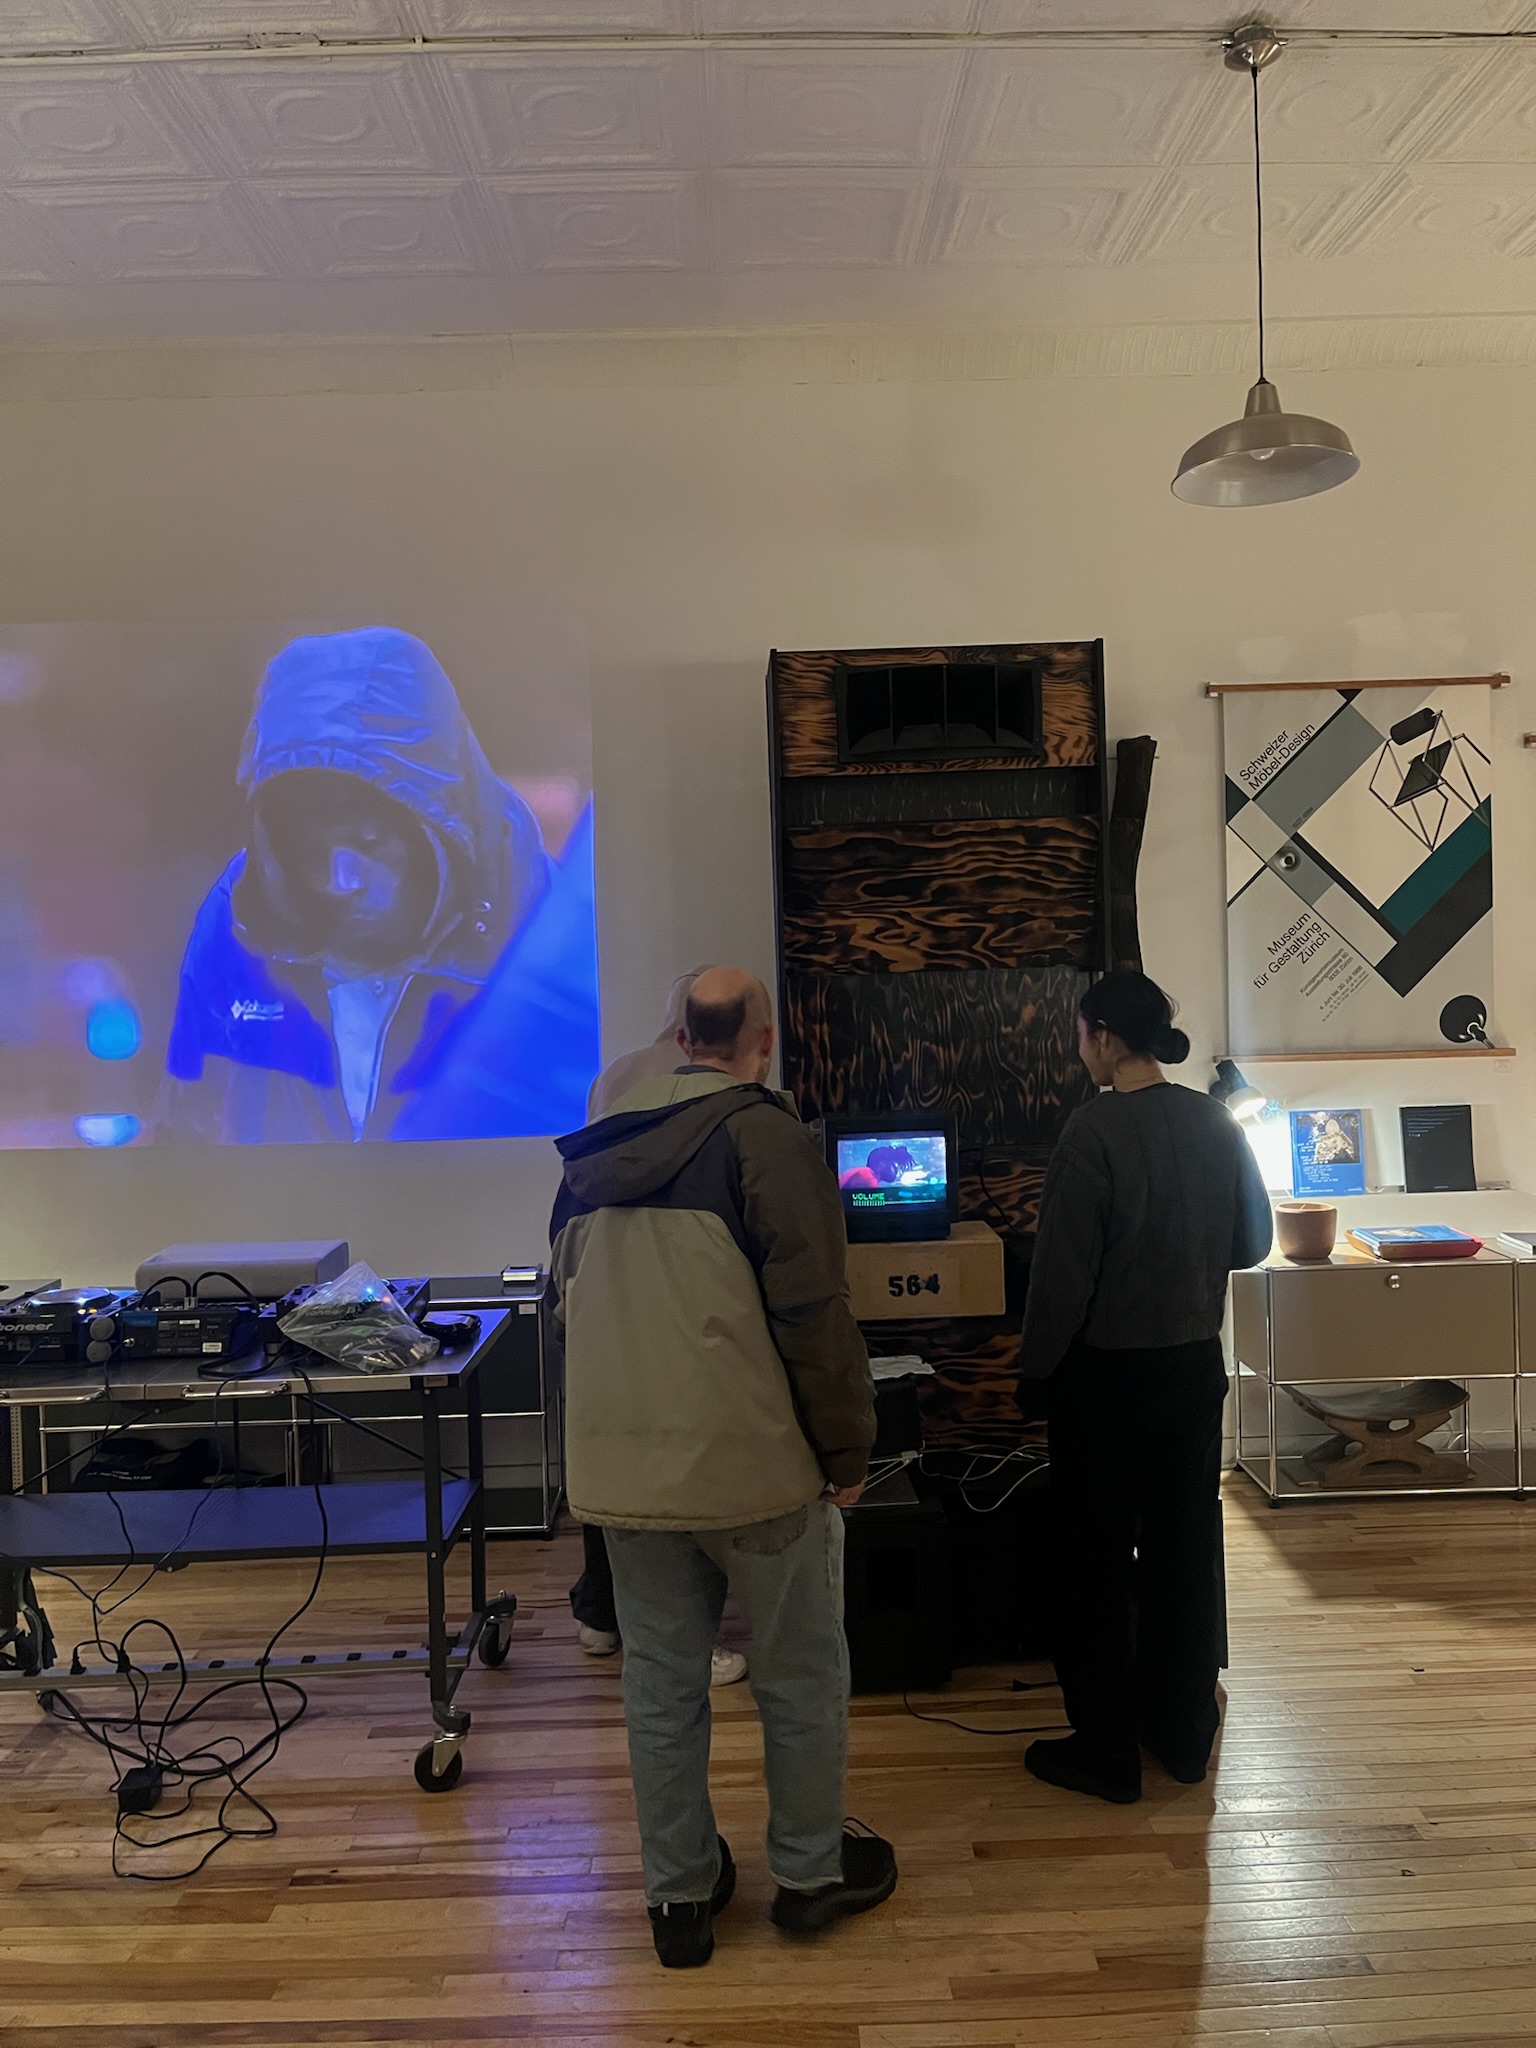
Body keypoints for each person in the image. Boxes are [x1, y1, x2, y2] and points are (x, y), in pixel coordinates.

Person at [549, 967, 896, 1968]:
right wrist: (847, 1449)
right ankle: (810, 1875)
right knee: (799, 1672)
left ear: (679, 1036)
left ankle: (681, 1899)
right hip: (756, 1469)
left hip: (626, 1477)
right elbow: (814, 1314)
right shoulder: (766, 1137)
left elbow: (566, 1314)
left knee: (660, 1685)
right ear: (763, 1040)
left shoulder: (594, 1149)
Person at [161, 626, 598, 1142]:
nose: (338, 881)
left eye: (370, 842)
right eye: (310, 849)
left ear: (438, 823)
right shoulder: (239, 916)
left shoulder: (538, 927)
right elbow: (184, 1130)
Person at [1018, 971, 1273, 1806]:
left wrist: (1036, 1372)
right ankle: (1183, 1735)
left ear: (1101, 1035)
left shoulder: (1091, 1132)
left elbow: (1061, 1280)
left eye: (1079, 1036)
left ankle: (1107, 1754)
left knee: (1092, 1563)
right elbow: (1253, 1241)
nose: (1079, 1051)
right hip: (1194, 1370)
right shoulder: (1213, 1121)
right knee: (1184, 1554)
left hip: (1106, 1381)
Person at [567, 966, 750, 1688]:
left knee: (610, 1464)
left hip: (595, 1286)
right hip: (671, 1297)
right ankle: (693, 1641)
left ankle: (598, 1616)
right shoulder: (703, 1086)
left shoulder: (613, 1074)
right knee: (680, 1473)